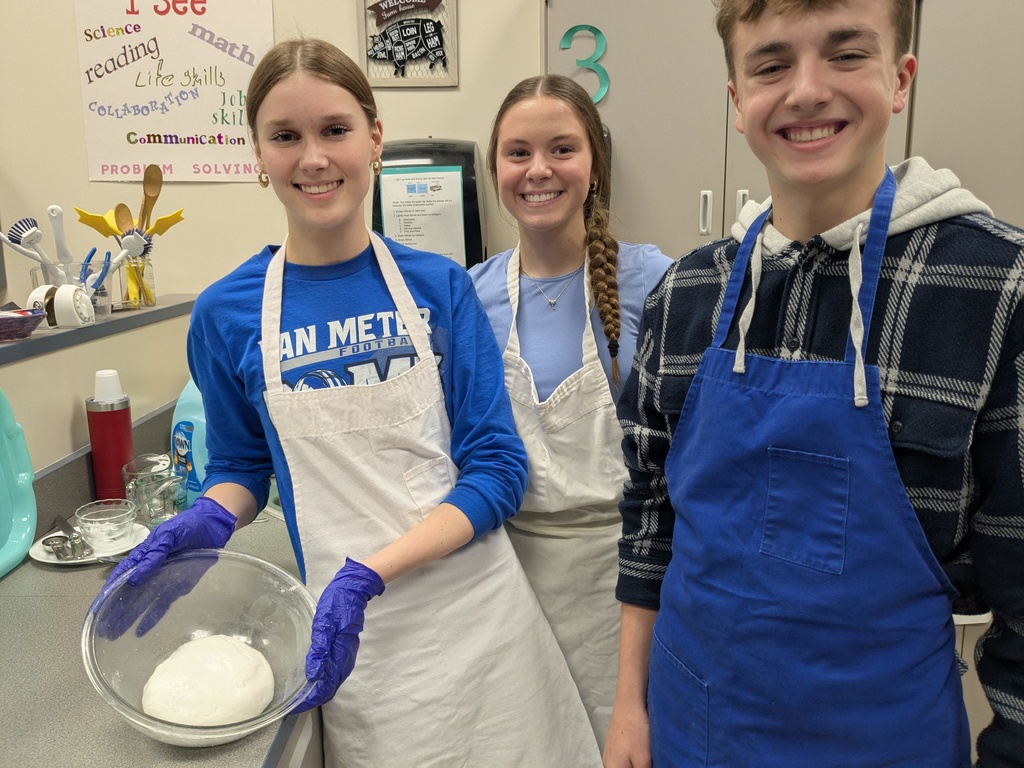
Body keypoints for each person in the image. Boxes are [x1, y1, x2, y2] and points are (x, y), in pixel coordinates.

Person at [100, 38, 603, 768]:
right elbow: (243, 463)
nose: (313, 158)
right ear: (258, 155)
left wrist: (372, 571)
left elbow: (496, 469)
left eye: (335, 130)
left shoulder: (437, 287)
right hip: (355, 648)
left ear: (373, 139)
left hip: (482, 622)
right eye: (285, 136)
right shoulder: (227, 313)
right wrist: (211, 514)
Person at [604, 1, 1024, 767]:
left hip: (885, 743)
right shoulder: (686, 294)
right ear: (736, 101)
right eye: (770, 65)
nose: (805, 90)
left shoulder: (994, 289)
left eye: (845, 54)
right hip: (691, 731)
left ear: (901, 80)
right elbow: (650, 518)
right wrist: (629, 707)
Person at [469, 74, 673, 751]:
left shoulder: (654, 280)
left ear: (595, 166)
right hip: (508, 590)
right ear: (496, 167)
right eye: (517, 152)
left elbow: (683, 465)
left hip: (625, 594)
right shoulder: (470, 296)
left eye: (562, 148)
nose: (538, 170)